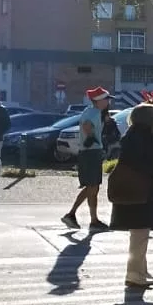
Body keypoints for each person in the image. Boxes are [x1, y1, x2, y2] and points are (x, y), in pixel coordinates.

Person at [107, 102, 153, 289]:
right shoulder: (147, 138)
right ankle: (134, 274)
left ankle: (141, 270)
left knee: (139, 233)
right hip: (143, 190)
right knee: (140, 233)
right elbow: (151, 164)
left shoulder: (131, 135)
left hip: (132, 188)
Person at [62, 87, 113, 231]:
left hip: (92, 152)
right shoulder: (93, 112)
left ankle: (92, 219)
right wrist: (91, 137)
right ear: (99, 100)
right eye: (107, 99)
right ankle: (75, 215)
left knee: (93, 187)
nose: (108, 102)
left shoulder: (95, 112)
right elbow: (86, 126)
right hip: (91, 152)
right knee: (92, 186)